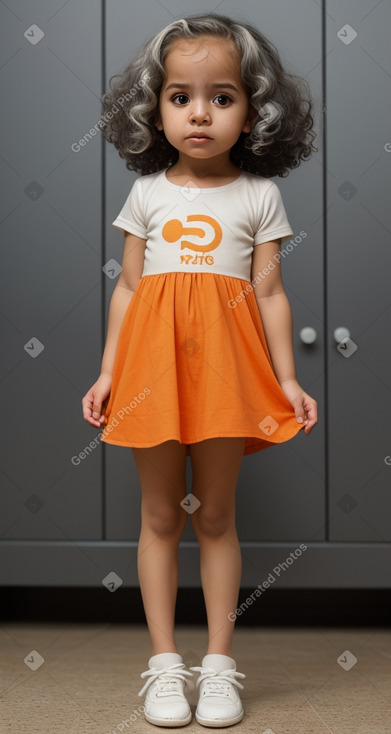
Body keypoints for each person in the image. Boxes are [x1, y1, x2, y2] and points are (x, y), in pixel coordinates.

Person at [82, 12, 318, 728]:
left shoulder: (259, 196)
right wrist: (106, 374)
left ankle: (217, 664)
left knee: (214, 515)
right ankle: (162, 665)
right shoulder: (148, 195)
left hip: (225, 374)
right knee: (159, 515)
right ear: (155, 110)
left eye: (222, 96)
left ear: (253, 113)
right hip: (150, 372)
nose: (200, 113)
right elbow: (126, 288)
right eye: (180, 96)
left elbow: (270, 293)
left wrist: (285, 380)